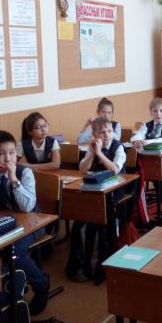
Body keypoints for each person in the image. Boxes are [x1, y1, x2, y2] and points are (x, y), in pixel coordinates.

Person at [0, 130, 50, 315]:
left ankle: (41, 283)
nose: (7, 158)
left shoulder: (24, 172)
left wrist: (14, 179)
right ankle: (0, 289)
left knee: (12, 251)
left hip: (31, 223)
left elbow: (27, 207)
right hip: (3, 223)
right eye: (0, 153)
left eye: (12, 153)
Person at [66, 117, 126, 284]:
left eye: (109, 131)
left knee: (100, 221)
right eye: (102, 132)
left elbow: (114, 170)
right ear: (94, 134)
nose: (106, 135)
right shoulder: (92, 147)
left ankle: (100, 263)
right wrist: (92, 153)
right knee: (80, 223)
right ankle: (81, 264)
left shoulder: (118, 147)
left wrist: (99, 153)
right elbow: (82, 169)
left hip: (115, 190)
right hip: (95, 191)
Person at [130, 97, 162, 215]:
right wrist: (135, 141)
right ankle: (137, 207)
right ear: (151, 113)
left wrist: (148, 142)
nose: (158, 114)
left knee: (160, 175)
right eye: (155, 111)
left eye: (161, 110)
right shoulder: (146, 125)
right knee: (131, 173)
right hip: (148, 160)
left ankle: (161, 208)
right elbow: (137, 135)